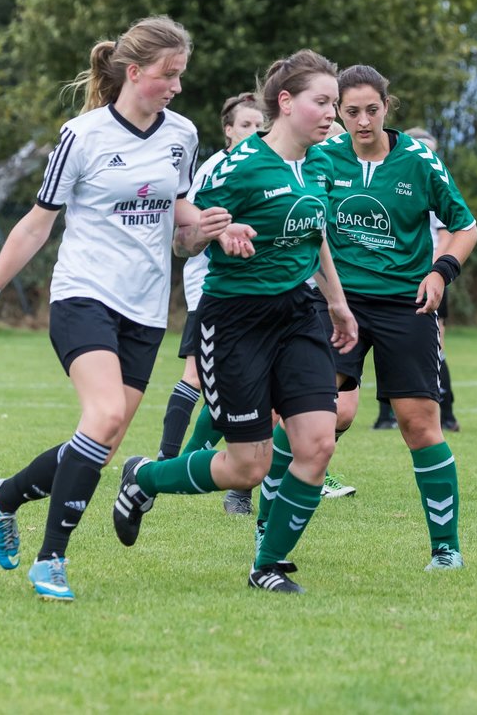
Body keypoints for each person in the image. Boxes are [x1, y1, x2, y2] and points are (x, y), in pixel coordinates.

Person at [0, 15, 234, 602]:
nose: (177, 86)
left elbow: (178, 217)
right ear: (135, 72)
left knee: (98, 442)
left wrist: (207, 228)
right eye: (168, 74)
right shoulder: (82, 136)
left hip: (148, 310)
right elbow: (36, 225)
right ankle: (51, 561)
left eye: (181, 75)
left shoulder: (182, 134)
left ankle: (5, 497)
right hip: (83, 295)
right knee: (102, 420)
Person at [111, 48, 358, 594]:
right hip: (235, 319)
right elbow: (183, 241)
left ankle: (266, 566)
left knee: (317, 443)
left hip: (299, 311)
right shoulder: (235, 166)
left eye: (335, 106)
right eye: (323, 103)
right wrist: (215, 232)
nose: (332, 116)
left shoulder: (321, 162)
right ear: (286, 102)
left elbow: (314, 233)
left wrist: (337, 303)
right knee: (248, 465)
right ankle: (144, 477)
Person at [317, 64, 477, 570]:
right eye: (352, 112)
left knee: (418, 424)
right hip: (338, 304)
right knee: (318, 420)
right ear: (338, 113)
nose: (363, 121)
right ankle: (268, 528)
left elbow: (465, 226)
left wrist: (440, 271)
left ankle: (445, 550)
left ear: (387, 107)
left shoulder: (419, 160)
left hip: (404, 307)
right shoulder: (321, 158)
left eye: (372, 110)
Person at [155, 91, 265, 516]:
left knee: (255, 388)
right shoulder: (216, 169)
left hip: (262, 294)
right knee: (198, 377)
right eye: (246, 126)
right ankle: (170, 461)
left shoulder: (274, 166)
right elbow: (188, 230)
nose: (254, 133)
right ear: (228, 131)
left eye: (260, 125)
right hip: (213, 291)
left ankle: (233, 482)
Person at [404, 126, 460, 433]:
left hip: (431, 276)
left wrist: (438, 271)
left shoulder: (437, 186)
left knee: (435, 346)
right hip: (398, 277)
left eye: (431, 149)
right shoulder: (397, 179)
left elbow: (449, 233)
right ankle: (386, 415)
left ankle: (447, 412)